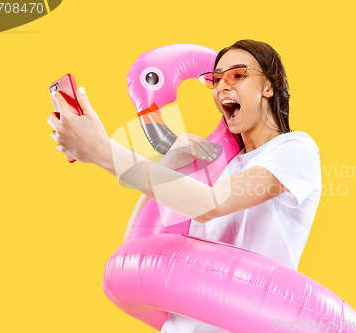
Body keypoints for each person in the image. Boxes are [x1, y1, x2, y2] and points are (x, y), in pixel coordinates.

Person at [47, 39, 322, 333]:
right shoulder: (219, 164)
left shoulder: (295, 149)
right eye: (216, 81)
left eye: (237, 75)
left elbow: (210, 205)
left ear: (268, 87)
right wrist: (170, 163)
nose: (222, 88)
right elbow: (136, 242)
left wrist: (102, 150)